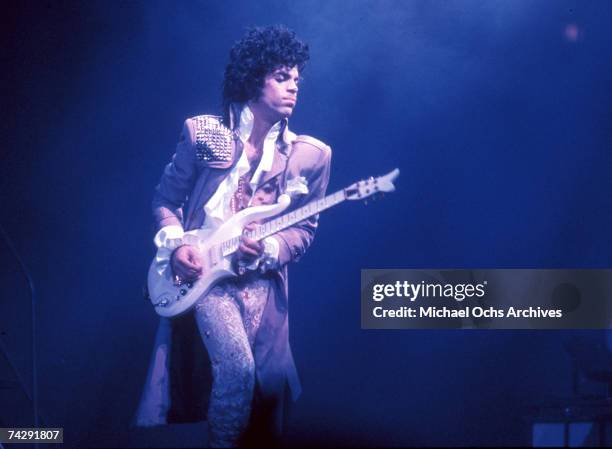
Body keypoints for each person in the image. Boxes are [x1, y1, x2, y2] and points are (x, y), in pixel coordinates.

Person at [134, 25, 332, 448]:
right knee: (237, 370)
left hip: (260, 282)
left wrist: (270, 248)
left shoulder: (310, 156)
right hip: (206, 276)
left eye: (297, 79)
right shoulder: (204, 134)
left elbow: (304, 229)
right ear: (252, 79)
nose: (293, 87)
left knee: (267, 388)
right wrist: (179, 243)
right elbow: (164, 200)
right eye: (282, 77)